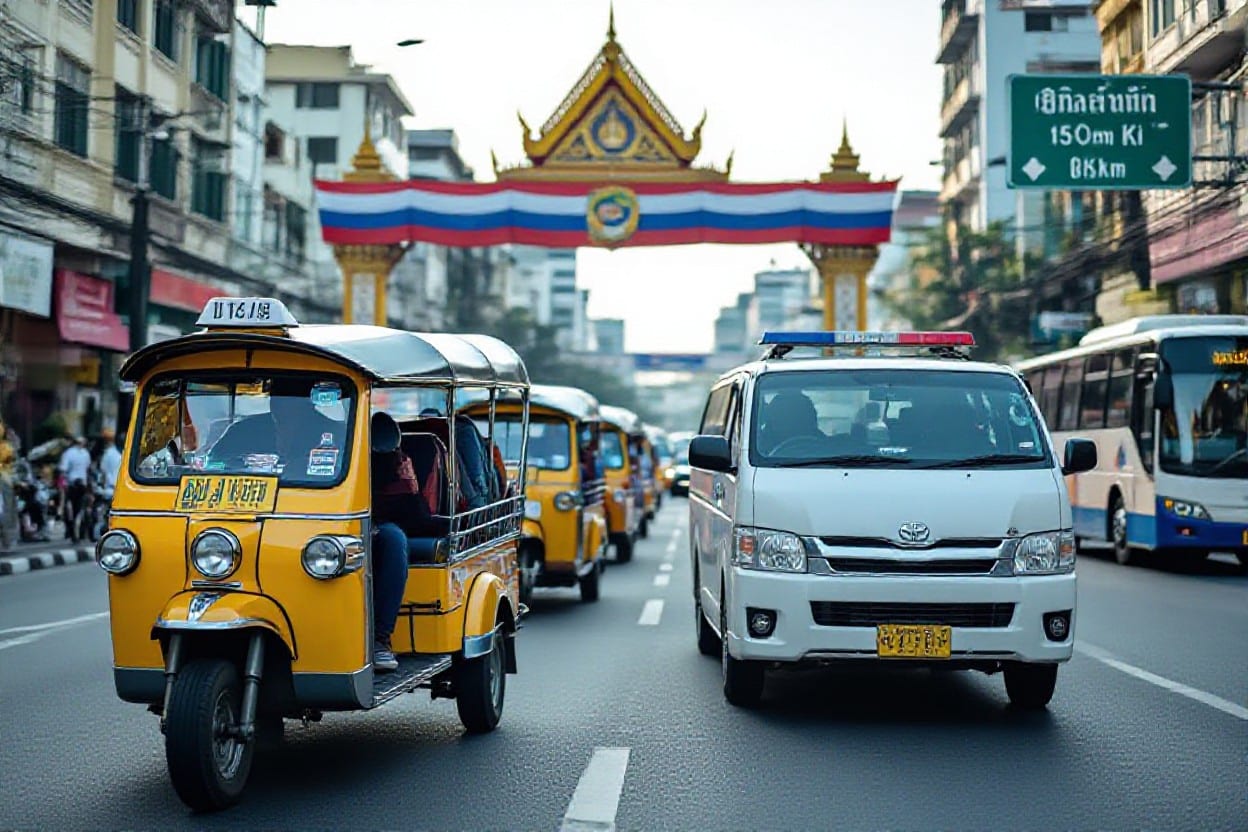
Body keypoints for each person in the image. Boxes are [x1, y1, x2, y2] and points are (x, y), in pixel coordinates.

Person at [368, 411, 429, 673]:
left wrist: (409, 486)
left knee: (394, 539)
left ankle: (380, 638)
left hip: (376, 523)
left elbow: (417, 518)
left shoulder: (392, 460)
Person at [58, 436, 91, 540]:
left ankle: (72, 529)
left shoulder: (68, 453)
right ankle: (79, 531)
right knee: (80, 508)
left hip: (71, 484)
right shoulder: (86, 453)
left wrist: (62, 484)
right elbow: (88, 468)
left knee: (69, 507)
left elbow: (63, 470)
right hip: (82, 484)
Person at [99, 428, 122, 499]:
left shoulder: (107, 455)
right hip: (119, 491)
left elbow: (103, 473)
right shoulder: (119, 455)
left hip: (108, 491)